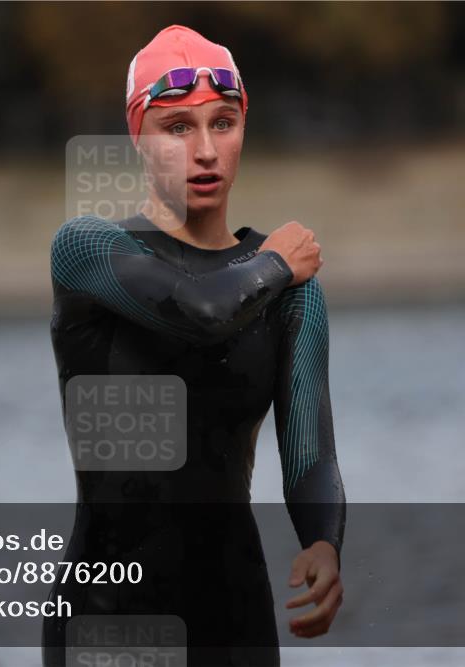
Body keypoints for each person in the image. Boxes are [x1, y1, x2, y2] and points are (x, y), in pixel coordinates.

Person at [44, 25, 345, 666]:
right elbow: (199, 311)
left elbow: (310, 451)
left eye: (223, 122)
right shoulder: (87, 252)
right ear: (139, 137)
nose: (205, 150)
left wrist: (323, 542)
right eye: (177, 128)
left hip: (234, 612)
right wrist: (273, 266)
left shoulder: (291, 290)